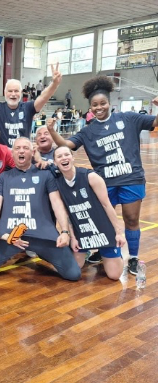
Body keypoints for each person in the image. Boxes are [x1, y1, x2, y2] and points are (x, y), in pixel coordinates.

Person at [47, 76, 158, 274]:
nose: (99, 108)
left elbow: (155, 122)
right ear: (90, 107)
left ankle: (133, 257)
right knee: (103, 219)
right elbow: (65, 145)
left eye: (103, 103)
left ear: (109, 103)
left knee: (131, 219)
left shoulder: (128, 118)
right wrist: (51, 130)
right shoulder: (87, 131)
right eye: (95, 105)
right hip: (104, 183)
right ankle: (103, 249)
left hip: (131, 179)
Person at [0, 137, 81, 281]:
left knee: (73, 274)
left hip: (42, 235)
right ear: (12, 153)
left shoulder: (45, 174)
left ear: (33, 152)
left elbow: (57, 203)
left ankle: (43, 252)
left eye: (25, 148)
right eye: (17, 148)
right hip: (10, 236)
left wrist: (64, 231)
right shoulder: (4, 177)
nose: (21, 151)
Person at [53, 146, 126, 279]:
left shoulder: (91, 177)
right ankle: (86, 251)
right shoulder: (57, 183)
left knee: (114, 275)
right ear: (55, 162)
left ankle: (109, 252)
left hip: (103, 229)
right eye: (59, 156)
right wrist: (73, 237)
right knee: (75, 268)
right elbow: (67, 214)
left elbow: (107, 205)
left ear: (72, 158)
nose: (64, 158)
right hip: (82, 231)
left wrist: (118, 233)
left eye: (67, 155)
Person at [0, 63, 63, 148]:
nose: (13, 94)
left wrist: (54, 84)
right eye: (10, 91)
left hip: (23, 156)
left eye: (16, 91)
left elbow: (43, 97)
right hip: (3, 158)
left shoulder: (28, 108)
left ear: (21, 93)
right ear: (5, 93)